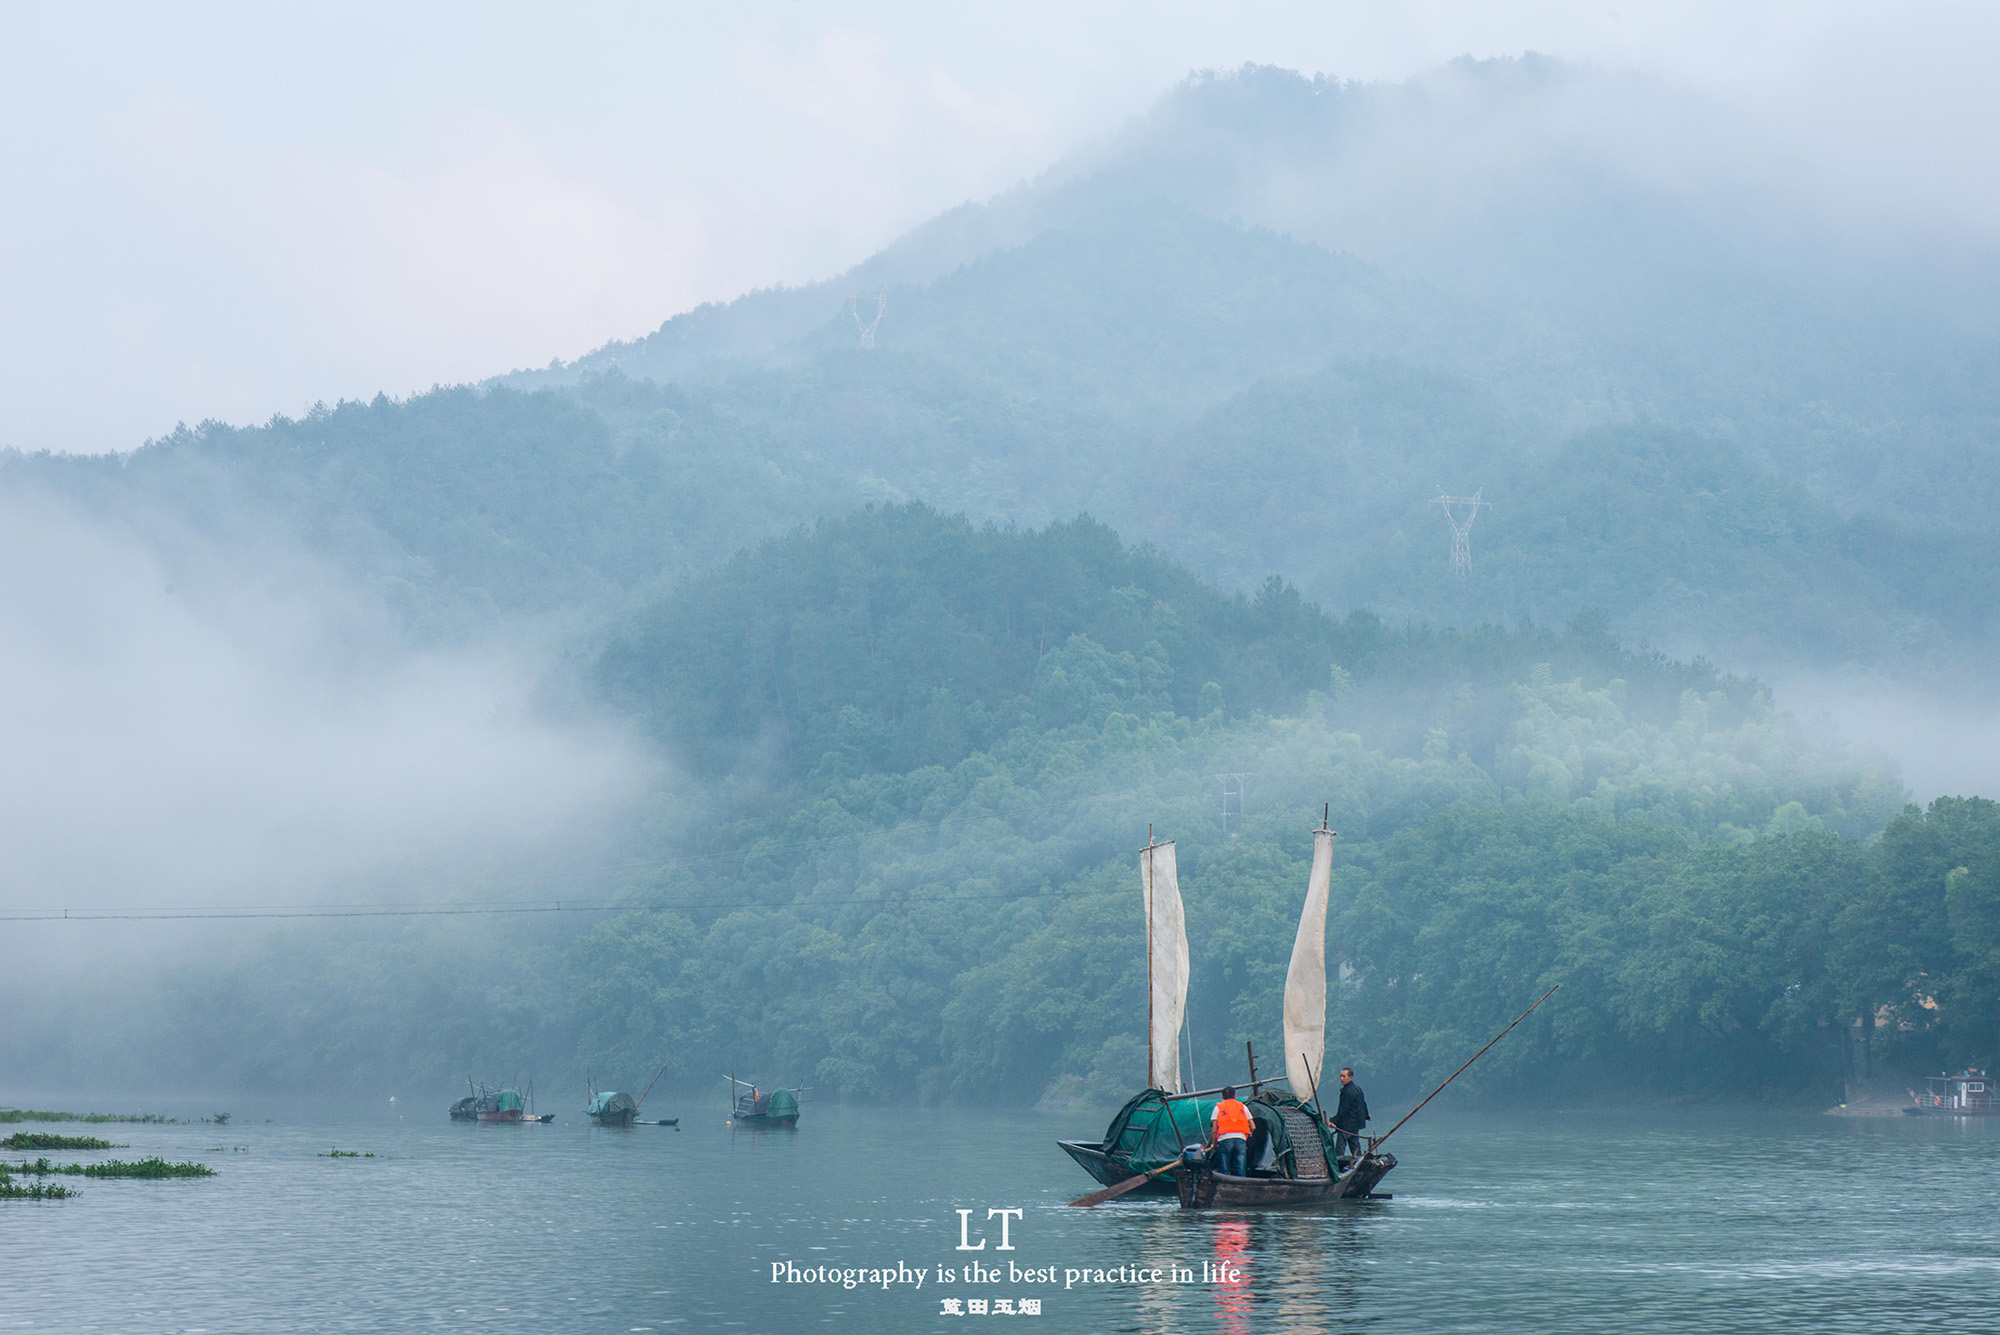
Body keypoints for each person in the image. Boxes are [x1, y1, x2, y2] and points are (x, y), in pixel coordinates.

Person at [1208, 1085, 1253, 1177]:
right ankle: (1241, 1187)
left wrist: (1214, 1144)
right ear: (1235, 1096)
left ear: (1222, 1097)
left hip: (1224, 1140)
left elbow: (1214, 1130)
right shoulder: (1243, 1107)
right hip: (1240, 1140)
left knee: (1224, 1170)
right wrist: (1247, 1134)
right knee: (1240, 1169)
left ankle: (1225, 1187)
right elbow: (1253, 1126)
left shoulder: (1218, 1108)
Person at [1332, 1067, 1369, 1166]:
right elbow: (1363, 1105)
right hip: (1354, 1126)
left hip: (1346, 1127)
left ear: (1350, 1077)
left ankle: (1337, 1168)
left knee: (1339, 1152)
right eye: (1341, 1076)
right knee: (1356, 1150)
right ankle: (1360, 1165)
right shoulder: (1357, 1089)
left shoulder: (1348, 1092)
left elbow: (1343, 1110)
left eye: (1344, 1076)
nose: (1341, 1079)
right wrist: (1366, 1115)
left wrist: (1333, 1121)